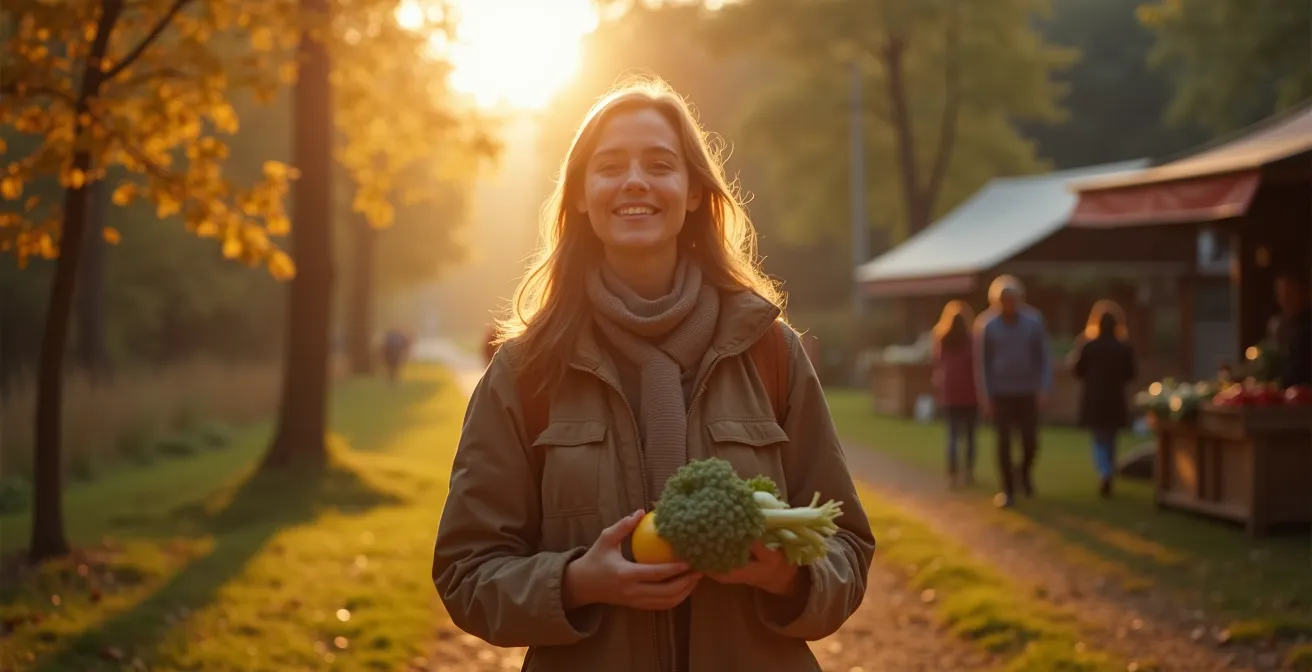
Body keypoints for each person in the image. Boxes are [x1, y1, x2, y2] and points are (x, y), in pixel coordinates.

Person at [431, 79, 875, 672]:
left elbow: (847, 544)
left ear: (693, 191)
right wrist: (577, 582)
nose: (635, 180)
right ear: (582, 198)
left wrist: (790, 578)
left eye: (660, 164)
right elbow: (466, 572)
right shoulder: (525, 371)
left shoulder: (771, 352)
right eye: (610, 166)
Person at [973, 275, 1052, 508]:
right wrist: (985, 395)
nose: (1009, 303)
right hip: (1001, 392)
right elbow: (982, 364)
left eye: (1012, 299)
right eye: (1004, 299)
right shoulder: (987, 325)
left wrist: (1044, 387)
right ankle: (1007, 488)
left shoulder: (1033, 321)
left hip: (1027, 390)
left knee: (1030, 440)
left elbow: (1043, 357)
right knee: (1004, 442)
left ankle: (1024, 474)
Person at [1070, 300, 1137, 498]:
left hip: (1095, 398)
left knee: (1099, 438)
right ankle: (1109, 470)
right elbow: (1131, 373)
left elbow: (1078, 371)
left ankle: (1105, 471)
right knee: (1111, 438)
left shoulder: (1089, 346)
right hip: (1115, 398)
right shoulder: (1123, 347)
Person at [931, 300, 978, 489]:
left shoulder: (942, 339)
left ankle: (952, 473)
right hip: (970, 392)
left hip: (950, 391)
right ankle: (968, 472)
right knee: (970, 435)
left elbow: (937, 363)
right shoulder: (972, 340)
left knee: (952, 435)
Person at [1273, 271, 1311, 388]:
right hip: (1282, 390)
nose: (1285, 297)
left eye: (1289, 292)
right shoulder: (1276, 324)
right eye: (1281, 293)